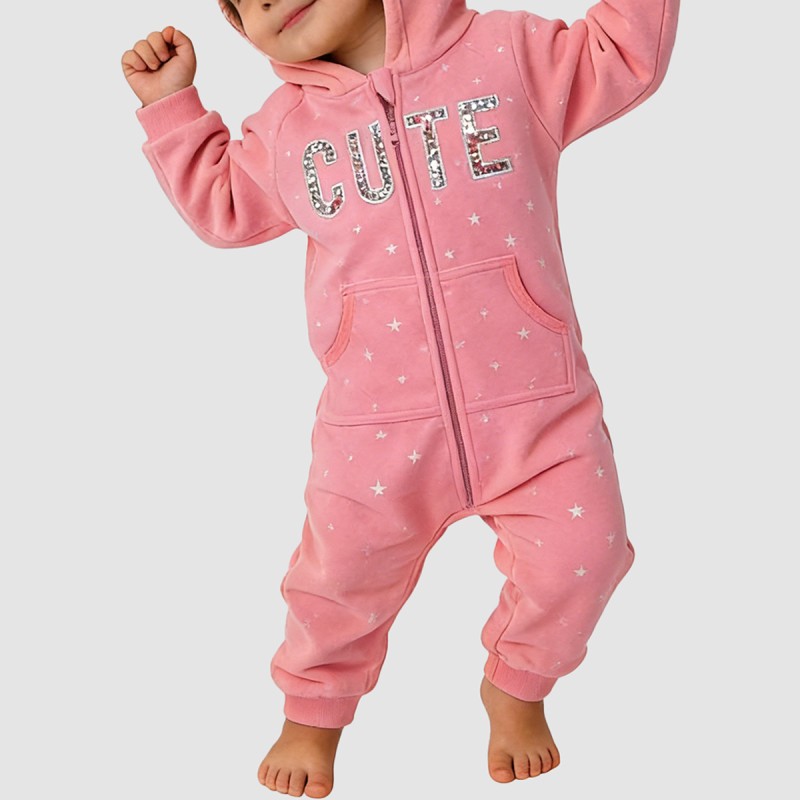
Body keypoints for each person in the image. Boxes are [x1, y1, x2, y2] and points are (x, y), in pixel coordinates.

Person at [122, 1, 680, 796]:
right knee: (336, 583)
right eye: (241, 2)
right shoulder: (287, 129)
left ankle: (518, 682)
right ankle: (312, 714)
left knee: (587, 555)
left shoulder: (506, 55)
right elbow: (226, 209)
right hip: (374, 427)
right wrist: (171, 105)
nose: (265, 2)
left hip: (537, 409)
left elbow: (624, 52)